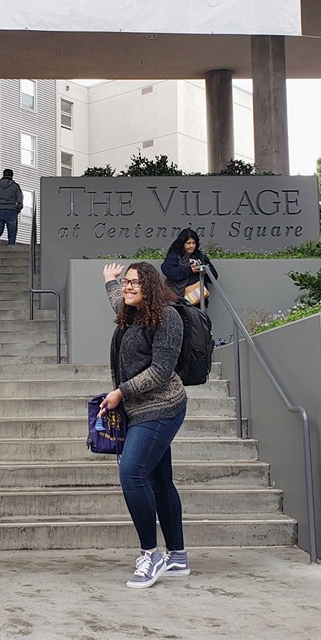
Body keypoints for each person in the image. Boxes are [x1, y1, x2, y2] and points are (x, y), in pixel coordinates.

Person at [101, 261, 189, 589]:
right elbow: (117, 301)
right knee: (160, 481)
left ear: (149, 286)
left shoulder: (168, 318)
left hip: (163, 407)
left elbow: (161, 371)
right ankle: (177, 556)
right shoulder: (133, 314)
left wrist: (120, 393)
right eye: (126, 282)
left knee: (132, 473)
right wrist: (109, 280)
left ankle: (151, 555)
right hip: (138, 410)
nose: (127, 287)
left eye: (134, 283)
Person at [161, 228, 218, 304]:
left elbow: (213, 276)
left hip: (197, 299)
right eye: (188, 243)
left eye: (193, 243)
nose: (191, 246)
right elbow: (168, 270)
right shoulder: (174, 255)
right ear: (182, 244)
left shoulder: (200, 257)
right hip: (177, 298)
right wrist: (190, 270)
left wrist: (203, 269)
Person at [0, 168, 23, 245]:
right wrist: (18, 208)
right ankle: (11, 244)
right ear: (12, 175)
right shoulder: (15, 186)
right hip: (11, 210)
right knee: (12, 231)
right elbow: (20, 198)